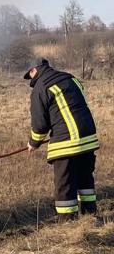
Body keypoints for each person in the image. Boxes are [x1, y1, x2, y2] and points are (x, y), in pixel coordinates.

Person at [24, 57, 100, 218]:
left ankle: (68, 223)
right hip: (88, 139)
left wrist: (33, 143)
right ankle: (90, 215)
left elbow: (40, 124)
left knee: (65, 185)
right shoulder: (70, 78)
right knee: (85, 179)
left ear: (34, 70)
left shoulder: (41, 87)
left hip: (67, 144)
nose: (30, 79)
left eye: (29, 75)